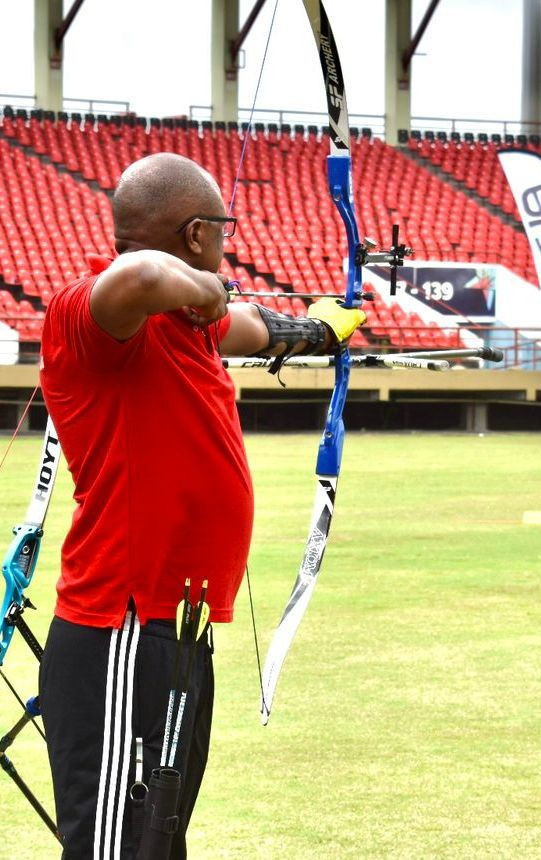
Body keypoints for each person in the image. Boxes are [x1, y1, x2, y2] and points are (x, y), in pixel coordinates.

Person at [38, 153, 366, 859]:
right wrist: (210, 289)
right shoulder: (94, 308)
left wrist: (317, 330)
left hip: (176, 628)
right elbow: (144, 276)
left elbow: (249, 326)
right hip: (120, 625)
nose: (227, 241)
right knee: (115, 847)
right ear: (194, 234)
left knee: (157, 840)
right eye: (221, 229)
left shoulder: (185, 323)